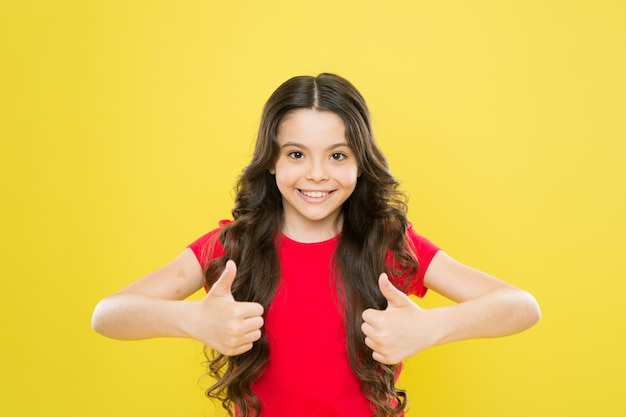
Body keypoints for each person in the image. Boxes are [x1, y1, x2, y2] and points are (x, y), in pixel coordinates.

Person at [91, 73, 541, 417]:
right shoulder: (233, 246)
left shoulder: (386, 244)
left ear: (360, 163)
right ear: (270, 161)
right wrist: (191, 318)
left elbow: (520, 306)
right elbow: (109, 314)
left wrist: (431, 328)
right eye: (296, 154)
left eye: (338, 155)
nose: (317, 174)